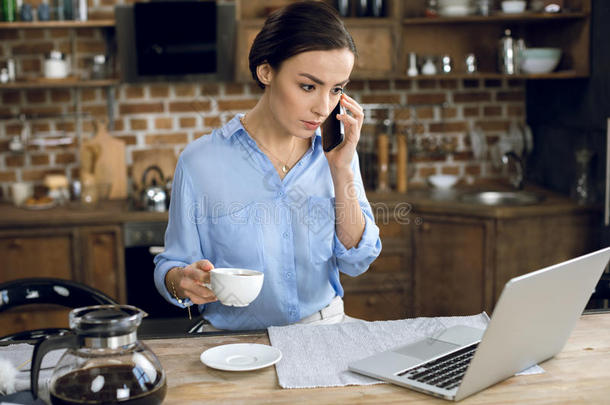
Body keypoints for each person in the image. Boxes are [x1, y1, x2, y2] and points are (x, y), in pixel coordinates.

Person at [154, 1, 382, 331]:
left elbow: (358, 260)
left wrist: (342, 169)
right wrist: (182, 282)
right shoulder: (200, 162)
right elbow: (171, 267)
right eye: (308, 86)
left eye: (336, 90)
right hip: (231, 342)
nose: (322, 107)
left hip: (323, 329)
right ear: (266, 72)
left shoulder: (338, 154)